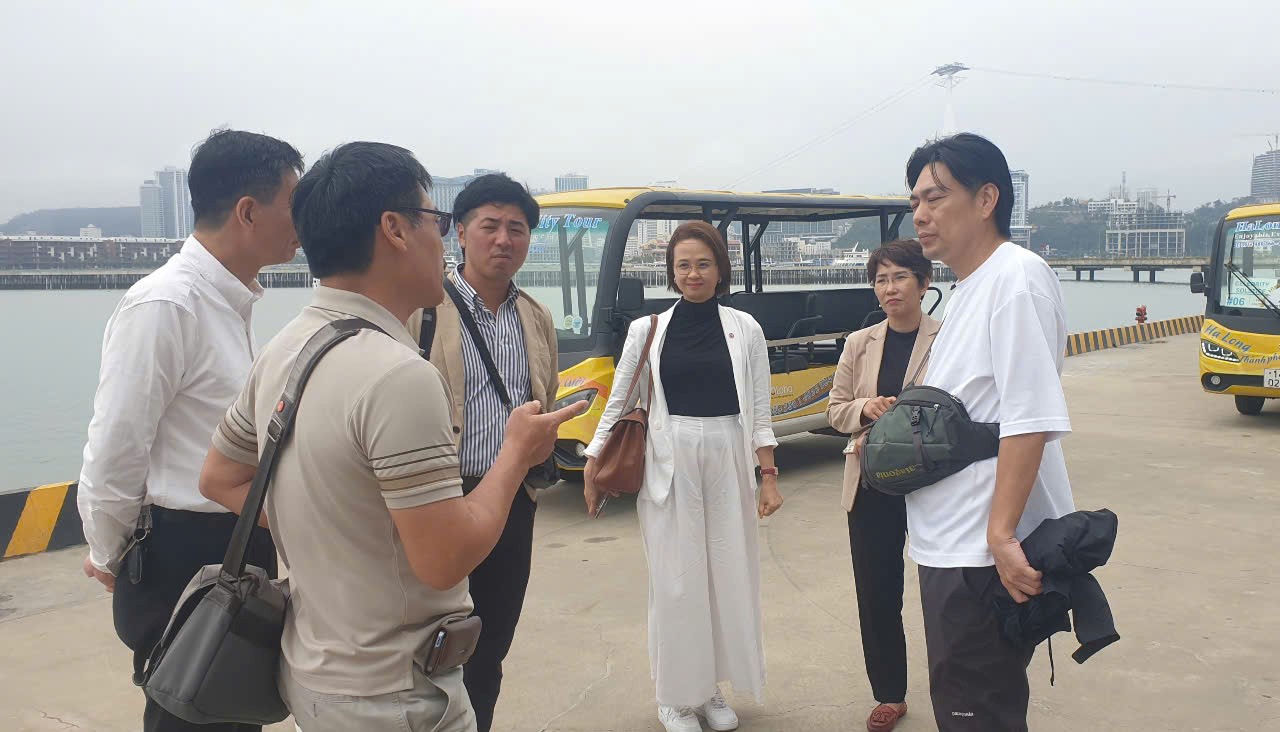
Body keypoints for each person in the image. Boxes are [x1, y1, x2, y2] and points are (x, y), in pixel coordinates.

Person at [198, 142, 585, 732]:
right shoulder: (399, 374)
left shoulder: (286, 345)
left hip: (315, 669)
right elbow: (443, 559)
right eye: (434, 220)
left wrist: (346, 532)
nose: (442, 238)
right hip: (394, 693)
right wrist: (517, 453)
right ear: (395, 230)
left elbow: (221, 476)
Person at [76, 129, 303, 732]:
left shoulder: (229, 301)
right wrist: (109, 553)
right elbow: (116, 449)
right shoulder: (166, 305)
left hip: (234, 542)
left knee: (233, 710)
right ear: (248, 211)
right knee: (191, 712)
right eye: (292, 201)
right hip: (183, 551)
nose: (300, 219)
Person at [582, 221, 784, 732]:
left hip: (728, 457)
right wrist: (593, 458)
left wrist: (768, 473)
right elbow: (621, 397)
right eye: (683, 266)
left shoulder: (746, 329)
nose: (693, 274)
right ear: (671, 274)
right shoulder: (647, 330)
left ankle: (708, 689)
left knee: (726, 579)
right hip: (669, 459)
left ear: (720, 269)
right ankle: (674, 696)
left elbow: (760, 409)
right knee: (676, 583)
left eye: (703, 264)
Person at [904, 132, 1076, 731]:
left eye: (936, 196)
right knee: (965, 706)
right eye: (916, 200)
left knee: (978, 714)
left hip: (978, 553)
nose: (921, 214)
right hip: (949, 541)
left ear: (986, 199)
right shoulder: (970, 288)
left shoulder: (1015, 279)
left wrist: (1002, 537)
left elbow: (1029, 419)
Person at [404, 173, 558, 732]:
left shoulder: (535, 318)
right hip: (439, 498)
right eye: (489, 226)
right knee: (425, 644)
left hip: (512, 501)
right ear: (460, 234)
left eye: (516, 229)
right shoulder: (422, 312)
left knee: (490, 645)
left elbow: (545, 396)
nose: (503, 240)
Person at [827, 239, 940, 732]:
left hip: (935, 486)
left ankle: (955, 685)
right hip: (873, 482)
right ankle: (890, 694)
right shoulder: (860, 342)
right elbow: (834, 410)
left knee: (946, 591)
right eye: (881, 279)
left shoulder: (949, 338)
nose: (889, 288)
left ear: (923, 282)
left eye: (899, 277)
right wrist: (865, 408)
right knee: (877, 594)